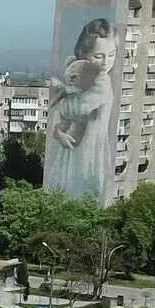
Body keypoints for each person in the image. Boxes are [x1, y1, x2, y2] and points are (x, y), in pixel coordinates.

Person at [46, 16, 116, 204]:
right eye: (98, 56)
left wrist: (64, 92)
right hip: (72, 148)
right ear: (83, 55)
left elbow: (75, 109)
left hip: (90, 151)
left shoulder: (102, 81)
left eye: (111, 55)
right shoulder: (83, 78)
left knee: (84, 197)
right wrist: (58, 132)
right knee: (63, 196)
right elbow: (58, 116)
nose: (105, 63)